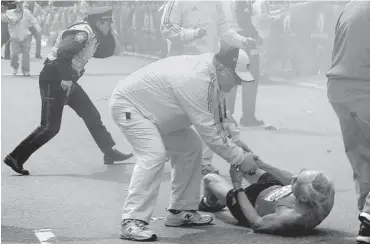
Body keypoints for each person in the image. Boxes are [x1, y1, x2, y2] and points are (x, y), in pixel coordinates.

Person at [110, 45, 258, 241]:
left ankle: (181, 210)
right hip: (132, 108)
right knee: (153, 155)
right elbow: (209, 130)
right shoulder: (196, 78)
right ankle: (132, 221)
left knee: (191, 147)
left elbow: (221, 115)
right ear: (222, 68)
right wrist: (239, 158)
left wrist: (237, 141)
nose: (238, 83)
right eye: (236, 77)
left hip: (161, 113)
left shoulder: (214, 76)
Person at [3, 7, 133, 176]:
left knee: (91, 114)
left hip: (66, 80)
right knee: (50, 127)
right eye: (108, 23)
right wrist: (66, 78)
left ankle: (109, 152)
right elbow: (64, 52)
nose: (110, 26)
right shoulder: (82, 33)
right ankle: (15, 157)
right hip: (55, 78)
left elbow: (106, 52)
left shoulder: (94, 35)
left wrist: (110, 34)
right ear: (100, 22)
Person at [160, 0, 259, 175]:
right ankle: (165, 147)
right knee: (178, 114)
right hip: (182, 67)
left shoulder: (215, 3)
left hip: (208, 66)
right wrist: (191, 34)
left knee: (213, 115)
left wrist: (242, 41)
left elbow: (224, 30)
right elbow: (166, 27)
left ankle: (204, 163)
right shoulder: (177, 2)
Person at [326, 1, 370, 243]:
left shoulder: (351, 6)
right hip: (364, 87)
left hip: (338, 88)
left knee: (363, 158)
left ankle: (364, 220)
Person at [199, 160, 335, 234]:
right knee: (243, 160)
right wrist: (259, 162)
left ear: (303, 198)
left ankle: (210, 203)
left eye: (297, 180)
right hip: (275, 186)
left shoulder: (288, 217)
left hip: (250, 201)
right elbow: (289, 180)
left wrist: (237, 186)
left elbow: (256, 223)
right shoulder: (324, 192)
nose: (294, 177)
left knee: (209, 178)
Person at [7, 2, 41, 76]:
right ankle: (15, 67)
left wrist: (38, 28)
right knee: (15, 54)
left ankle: (25, 70)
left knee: (26, 54)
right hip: (15, 36)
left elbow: (33, 21)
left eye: (20, 4)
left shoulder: (27, 12)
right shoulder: (10, 13)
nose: (19, 6)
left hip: (26, 36)